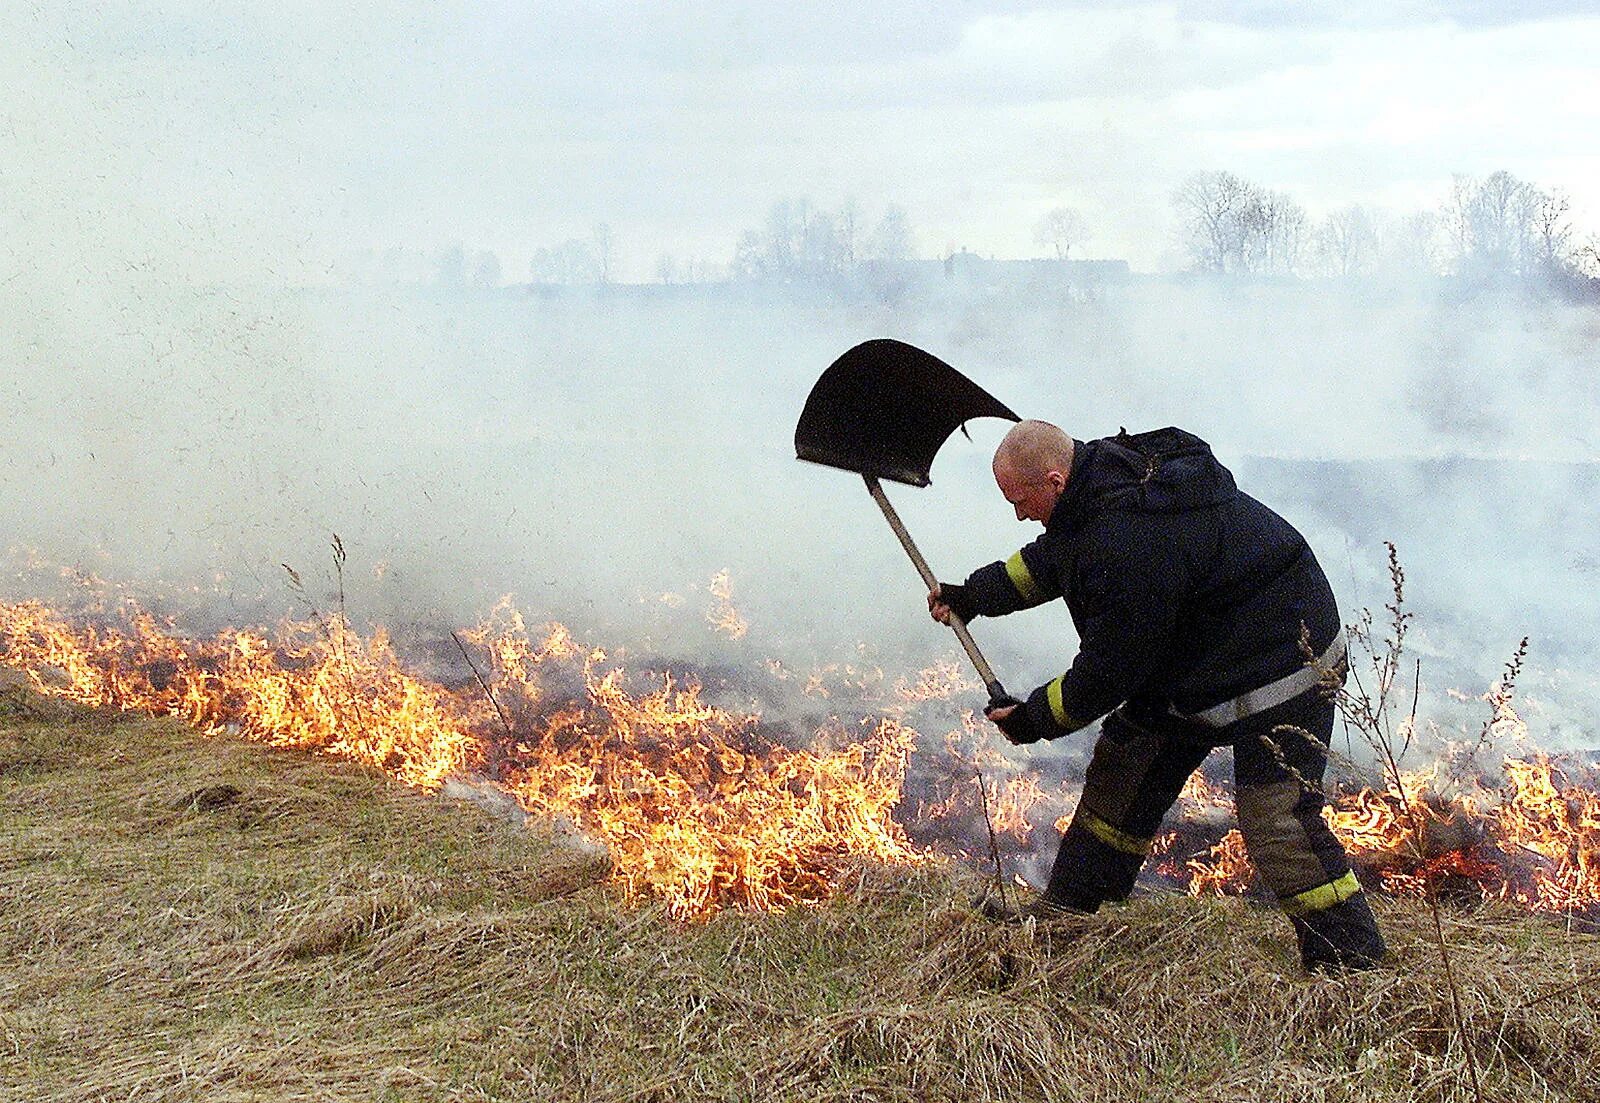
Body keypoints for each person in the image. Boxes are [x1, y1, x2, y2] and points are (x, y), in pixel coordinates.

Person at [928, 420, 1387, 972]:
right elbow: (1052, 560)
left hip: (1285, 662)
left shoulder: (1131, 539)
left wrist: (1033, 719)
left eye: (1021, 501)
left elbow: (1107, 672)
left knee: (1276, 821)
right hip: (1194, 657)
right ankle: (1073, 917)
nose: (1019, 514)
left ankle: (1351, 965)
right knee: (1122, 773)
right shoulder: (1097, 486)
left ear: (1054, 480)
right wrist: (973, 595)